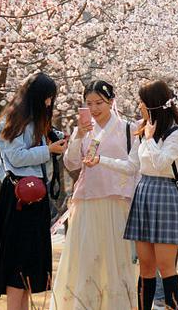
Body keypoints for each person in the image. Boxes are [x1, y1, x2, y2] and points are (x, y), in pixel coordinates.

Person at [0, 72, 68, 310]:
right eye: (47, 98)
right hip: (18, 198)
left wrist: (53, 142)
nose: (49, 103)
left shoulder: (35, 122)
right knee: (16, 261)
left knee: (29, 262)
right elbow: (16, 157)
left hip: (35, 196)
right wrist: (48, 150)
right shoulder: (11, 121)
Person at [51, 80, 138, 309]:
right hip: (87, 201)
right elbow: (71, 162)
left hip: (116, 201)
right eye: (89, 103)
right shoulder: (84, 129)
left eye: (99, 102)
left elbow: (133, 167)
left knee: (115, 260)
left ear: (111, 101)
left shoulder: (127, 129)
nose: (94, 108)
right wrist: (78, 135)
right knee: (86, 259)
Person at [122, 80, 178, 310]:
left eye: (142, 101)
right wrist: (99, 161)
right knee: (146, 267)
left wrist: (150, 138)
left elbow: (161, 163)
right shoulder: (143, 130)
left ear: (153, 104)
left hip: (166, 194)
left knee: (166, 266)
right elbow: (132, 165)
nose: (139, 105)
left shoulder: (175, 133)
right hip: (144, 192)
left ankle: (171, 307)